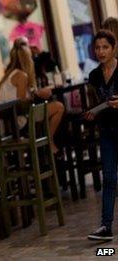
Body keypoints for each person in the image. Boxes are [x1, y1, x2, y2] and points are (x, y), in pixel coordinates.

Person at [0, 37, 64, 153]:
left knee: (45, 111)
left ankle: (47, 143)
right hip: (18, 121)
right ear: (27, 59)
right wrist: (37, 94)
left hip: (8, 121)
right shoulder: (22, 76)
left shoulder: (8, 75)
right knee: (59, 107)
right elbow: (22, 103)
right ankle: (49, 141)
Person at [85, 30, 118, 241]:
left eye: (105, 47)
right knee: (108, 178)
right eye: (97, 48)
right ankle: (105, 226)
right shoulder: (94, 76)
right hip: (106, 132)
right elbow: (98, 102)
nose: (101, 51)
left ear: (113, 47)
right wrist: (93, 112)